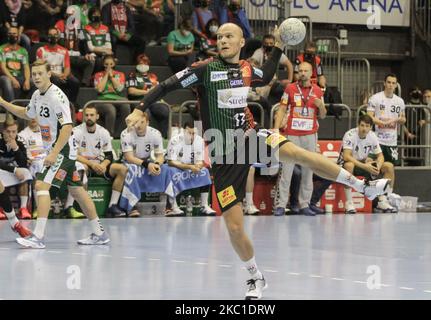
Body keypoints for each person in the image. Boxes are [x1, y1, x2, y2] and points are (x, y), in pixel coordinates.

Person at [126, 23, 391, 300]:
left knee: (302, 155)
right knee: (234, 227)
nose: (223, 40)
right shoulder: (204, 70)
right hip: (223, 155)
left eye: (229, 36)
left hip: (251, 139)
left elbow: (265, 77)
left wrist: (278, 46)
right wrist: (140, 107)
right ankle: (255, 276)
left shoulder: (247, 69)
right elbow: (168, 85)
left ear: (241, 42)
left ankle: (363, 186)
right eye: (219, 37)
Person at [0, 59, 110, 249]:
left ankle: (38, 237)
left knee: (42, 185)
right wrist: (3, 103)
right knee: (77, 190)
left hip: (63, 148)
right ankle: (100, 233)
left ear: (49, 74)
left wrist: (54, 153)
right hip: (58, 148)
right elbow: (27, 114)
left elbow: (67, 127)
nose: (36, 77)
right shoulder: (37, 94)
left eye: (40, 74)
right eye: (33, 74)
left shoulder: (56, 97)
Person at [273, 61, 327, 217]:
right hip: (291, 135)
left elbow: (322, 115)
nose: (303, 73)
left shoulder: (317, 91)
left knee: (308, 171)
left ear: (311, 74)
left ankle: (304, 205)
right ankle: (281, 205)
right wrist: (276, 130)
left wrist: (320, 106)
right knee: (287, 171)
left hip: (310, 135)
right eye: (300, 70)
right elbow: (282, 109)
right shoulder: (290, 88)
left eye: (306, 71)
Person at [73, 105, 129, 218]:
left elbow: (109, 155)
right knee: (81, 168)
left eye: (92, 115)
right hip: (86, 164)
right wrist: (92, 164)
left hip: (99, 165)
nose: (89, 117)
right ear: (83, 117)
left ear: (97, 116)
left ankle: (112, 206)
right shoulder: (76, 131)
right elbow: (73, 155)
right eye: (87, 115)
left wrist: (103, 165)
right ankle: (82, 208)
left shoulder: (103, 132)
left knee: (122, 169)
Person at [339, 115, 397, 213]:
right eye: (362, 125)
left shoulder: (372, 136)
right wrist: (365, 166)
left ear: (370, 127)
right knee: (349, 165)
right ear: (358, 125)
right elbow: (346, 156)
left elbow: (380, 156)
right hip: (349, 164)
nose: (364, 129)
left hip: (364, 164)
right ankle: (349, 203)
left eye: (367, 126)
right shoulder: (350, 135)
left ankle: (383, 201)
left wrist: (378, 166)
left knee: (389, 166)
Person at [121, 112, 165, 217]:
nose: (139, 125)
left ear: (147, 122)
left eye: (142, 122)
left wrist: (157, 164)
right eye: (136, 122)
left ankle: (169, 205)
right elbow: (129, 157)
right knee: (131, 170)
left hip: (147, 161)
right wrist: (147, 165)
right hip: (130, 162)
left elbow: (160, 156)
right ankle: (132, 206)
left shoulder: (155, 133)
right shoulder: (126, 134)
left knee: (166, 169)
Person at [167, 120, 216, 216]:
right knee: (170, 172)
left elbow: (200, 160)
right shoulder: (175, 140)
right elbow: (170, 162)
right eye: (189, 133)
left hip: (190, 167)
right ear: (183, 131)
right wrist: (189, 167)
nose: (191, 136)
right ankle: (173, 206)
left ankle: (204, 205)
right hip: (176, 167)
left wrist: (198, 166)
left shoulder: (199, 141)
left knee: (204, 171)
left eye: (193, 133)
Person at [0, 122, 32, 237]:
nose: (11, 134)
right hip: (5, 170)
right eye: (8, 131)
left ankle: (16, 223)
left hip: (10, 172)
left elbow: (23, 163)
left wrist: (16, 148)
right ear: (3, 131)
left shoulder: (20, 141)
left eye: (14, 131)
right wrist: (14, 170)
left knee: (1, 188)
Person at [126, 53, 170, 138]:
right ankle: (144, 137)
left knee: (164, 110)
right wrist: (147, 92)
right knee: (146, 113)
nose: (143, 65)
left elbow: (158, 90)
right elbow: (131, 91)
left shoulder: (153, 76)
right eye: (141, 63)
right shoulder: (133, 76)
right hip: (139, 101)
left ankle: (163, 137)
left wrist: (160, 99)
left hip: (153, 101)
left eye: (145, 63)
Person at [367, 74, 406, 166]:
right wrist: (382, 122)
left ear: (396, 85)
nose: (391, 85)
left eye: (393, 83)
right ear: (384, 83)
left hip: (391, 141)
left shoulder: (399, 101)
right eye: (389, 82)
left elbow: (403, 119)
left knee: (390, 167)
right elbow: (369, 117)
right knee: (372, 164)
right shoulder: (375, 98)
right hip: (376, 140)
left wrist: (397, 120)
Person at [36, 27, 81, 103]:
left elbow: (67, 67)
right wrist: (57, 75)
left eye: (55, 34)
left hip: (61, 75)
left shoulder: (64, 50)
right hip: (48, 75)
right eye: (50, 35)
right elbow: (41, 68)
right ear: (47, 37)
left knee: (75, 82)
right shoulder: (41, 50)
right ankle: (55, 103)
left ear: (58, 36)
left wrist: (64, 75)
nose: (53, 37)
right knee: (56, 80)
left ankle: (71, 104)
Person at [55, 6, 95, 87]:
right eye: (68, 15)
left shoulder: (80, 30)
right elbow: (59, 42)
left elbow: (84, 43)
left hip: (77, 57)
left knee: (91, 61)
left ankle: (84, 82)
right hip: (65, 57)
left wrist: (87, 54)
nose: (70, 18)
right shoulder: (61, 28)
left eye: (72, 16)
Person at [93, 54, 129, 138]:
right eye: (106, 64)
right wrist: (106, 75)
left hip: (117, 99)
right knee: (111, 110)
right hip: (102, 100)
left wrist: (112, 77)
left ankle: (124, 133)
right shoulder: (98, 75)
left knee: (126, 105)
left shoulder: (120, 74)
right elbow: (99, 89)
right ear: (103, 64)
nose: (109, 66)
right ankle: (109, 135)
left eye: (111, 64)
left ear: (114, 64)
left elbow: (119, 89)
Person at [18, 118, 48, 219]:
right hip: (33, 163)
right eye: (30, 116)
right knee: (38, 166)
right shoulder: (23, 135)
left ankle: (69, 206)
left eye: (36, 115)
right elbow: (23, 155)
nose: (33, 119)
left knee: (76, 167)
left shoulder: (46, 131)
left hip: (48, 161)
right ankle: (39, 209)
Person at [0, 26, 31, 102]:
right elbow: (3, 67)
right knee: (6, 80)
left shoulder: (23, 51)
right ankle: (11, 108)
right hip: (6, 76)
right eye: (10, 33)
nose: (12, 35)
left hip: (20, 77)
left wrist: (27, 80)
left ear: (18, 35)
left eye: (14, 33)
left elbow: (26, 67)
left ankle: (26, 107)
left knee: (34, 82)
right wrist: (12, 79)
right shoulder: (2, 49)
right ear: (7, 35)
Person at [84, 6, 113, 72]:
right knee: (98, 61)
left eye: (98, 14)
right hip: (92, 53)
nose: (96, 16)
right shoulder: (86, 28)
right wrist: (104, 50)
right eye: (94, 14)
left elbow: (108, 44)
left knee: (111, 60)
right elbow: (90, 48)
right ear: (90, 16)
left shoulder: (105, 28)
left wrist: (106, 51)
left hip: (105, 52)